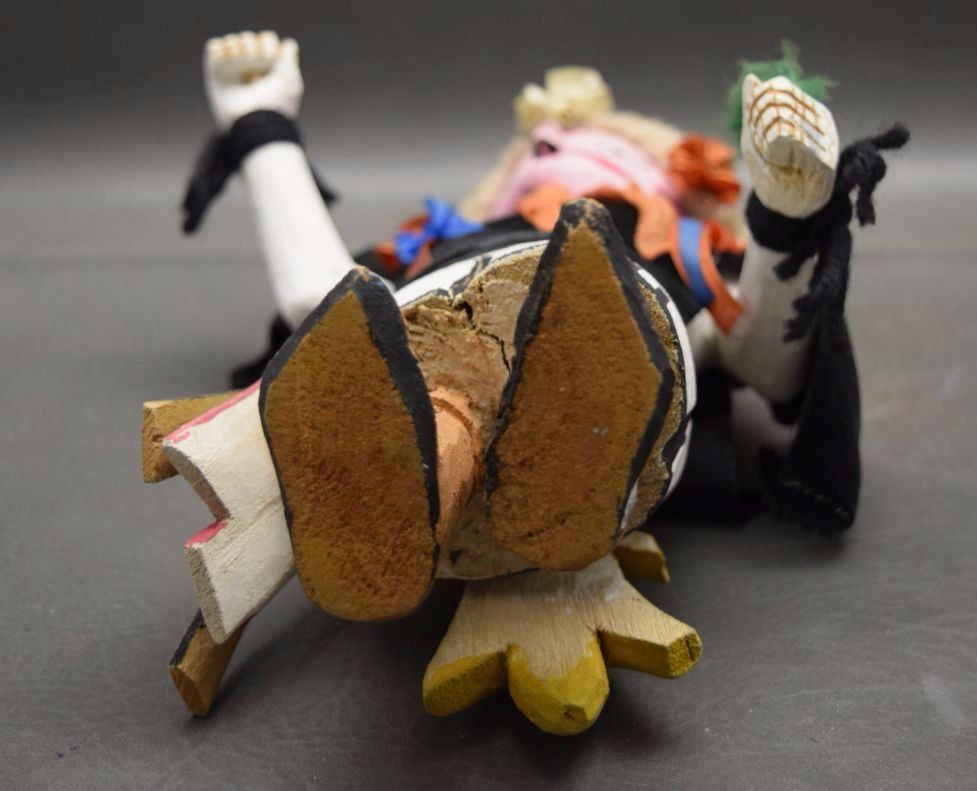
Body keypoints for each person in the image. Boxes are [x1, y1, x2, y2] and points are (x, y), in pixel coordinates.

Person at [182, 31, 907, 535]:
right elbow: (312, 299)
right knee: (328, 310)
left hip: (633, 288)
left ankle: (782, 214)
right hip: (469, 281)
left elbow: (769, 369)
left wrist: (778, 224)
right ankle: (261, 122)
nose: (564, 154)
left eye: (608, 149)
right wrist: (260, 122)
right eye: (546, 149)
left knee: (713, 341)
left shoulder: (682, 255)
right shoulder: (450, 239)